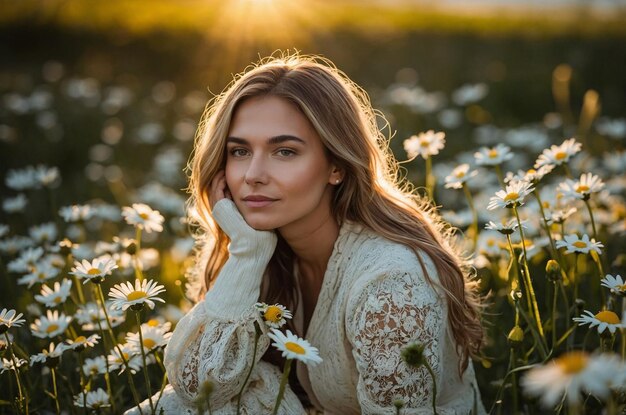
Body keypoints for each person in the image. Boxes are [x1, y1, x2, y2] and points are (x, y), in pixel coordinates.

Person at [128, 53, 486, 414]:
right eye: (239, 151)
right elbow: (196, 393)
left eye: (284, 151)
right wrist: (248, 254)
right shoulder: (261, 251)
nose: (252, 174)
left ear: (336, 166)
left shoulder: (390, 283)